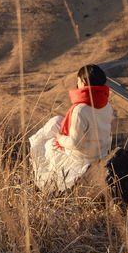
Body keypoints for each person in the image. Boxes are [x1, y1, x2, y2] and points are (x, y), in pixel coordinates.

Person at [29, 63, 113, 192]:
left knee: (45, 144)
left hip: (82, 158)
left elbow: (74, 143)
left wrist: (60, 138)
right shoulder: (106, 105)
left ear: (84, 82)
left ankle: (38, 184)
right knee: (56, 121)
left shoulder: (80, 109)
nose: (77, 84)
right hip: (100, 153)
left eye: (78, 80)